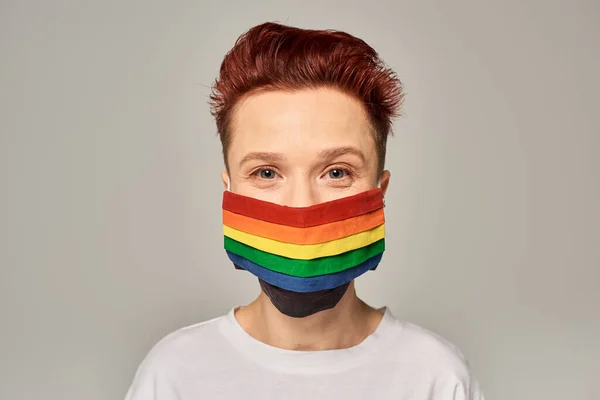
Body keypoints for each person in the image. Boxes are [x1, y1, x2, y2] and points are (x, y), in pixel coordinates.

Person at [125, 22, 485, 399]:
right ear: (228, 190)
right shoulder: (174, 375)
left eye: (336, 172)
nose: (301, 206)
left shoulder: (437, 377)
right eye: (266, 172)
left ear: (380, 193)